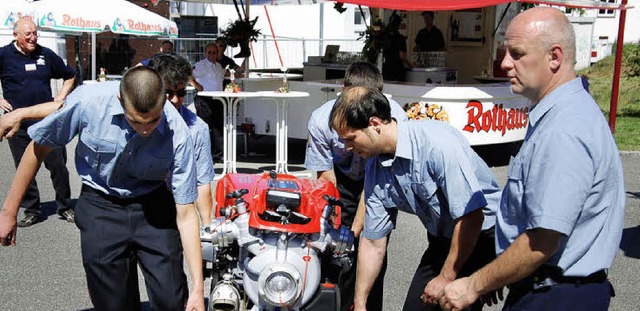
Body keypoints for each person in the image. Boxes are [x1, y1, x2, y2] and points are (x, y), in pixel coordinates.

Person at [440, 7, 625, 311]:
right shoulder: (562, 115)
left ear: (555, 56)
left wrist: (474, 284)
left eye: (516, 53)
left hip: (555, 295)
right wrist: (501, 275)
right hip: (547, 287)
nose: (504, 63)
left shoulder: (564, 130)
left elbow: (542, 240)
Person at [0, 67, 205, 311]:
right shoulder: (88, 102)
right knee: (112, 303)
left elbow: (186, 213)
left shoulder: (177, 131)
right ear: (120, 101)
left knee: (172, 299)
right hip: (101, 205)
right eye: (137, 121)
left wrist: (199, 290)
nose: (146, 129)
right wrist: (9, 212)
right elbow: (39, 148)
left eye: (153, 120)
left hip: (152, 205)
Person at [329, 86, 501, 311]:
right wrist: (360, 303)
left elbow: (472, 216)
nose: (347, 147)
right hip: (444, 237)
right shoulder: (375, 167)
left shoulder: (437, 145)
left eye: (351, 138)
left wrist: (448, 277)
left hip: (483, 234)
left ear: (374, 124)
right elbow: (373, 242)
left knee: (453, 302)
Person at [304, 62, 408, 311]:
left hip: (379, 180)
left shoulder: (394, 117)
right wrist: (338, 222)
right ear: (343, 91)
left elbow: (377, 182)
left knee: (373, 247)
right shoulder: (321, 120)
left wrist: (361, 225)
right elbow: (325, 178)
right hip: (340, 181)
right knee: (336, 249)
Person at [0, 18, 75, 227]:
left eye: (35, 33)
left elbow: (70, 75)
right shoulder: (4, 55)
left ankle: (65, 206)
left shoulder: (45, 54)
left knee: (59, 166)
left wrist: (60, 97)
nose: (33, 38)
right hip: (18, 125)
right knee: (24, 169)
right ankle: (32, 209)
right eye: (28, 34)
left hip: (48, 122)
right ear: (16, 35)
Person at [193, 42, 226, 162]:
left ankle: (217, 155)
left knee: (218, 128)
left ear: (218, 54)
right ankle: (204, 155)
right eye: (209, 52)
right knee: (205, 128)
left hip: (218, 100)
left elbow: (225, 75)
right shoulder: (200, 65)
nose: (212, 55)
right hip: (205, 99)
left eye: (214, 52)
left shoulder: (218, 66)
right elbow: (189, 75)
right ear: (205, 53)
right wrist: (198, 86)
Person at [382, 13, 413, 82]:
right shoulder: (400, 38)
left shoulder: (384, 37)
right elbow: (402, 56)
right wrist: (411, 65)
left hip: (386, 68)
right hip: (398, 70)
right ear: (398, 24)